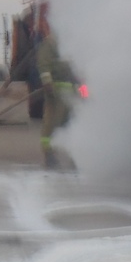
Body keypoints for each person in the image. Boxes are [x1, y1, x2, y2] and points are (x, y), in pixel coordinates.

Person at [35, 10, 78, 169]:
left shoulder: (72, 46)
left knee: (74, 126)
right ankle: (50, 155)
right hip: (56, 94)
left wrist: (85, 92)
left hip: (71, 95)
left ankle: (77, 157)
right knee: (53, 124)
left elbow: (79, 72)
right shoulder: (50, 44)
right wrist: (48, 84)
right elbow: (43, 65)